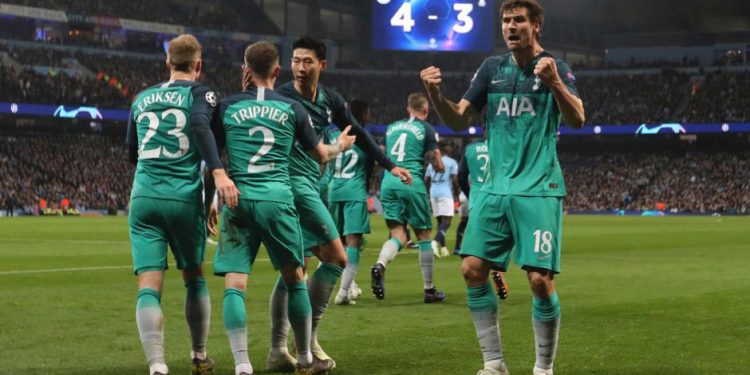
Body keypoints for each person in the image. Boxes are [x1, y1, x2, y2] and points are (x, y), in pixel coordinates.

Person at [420, 0, 585, 373]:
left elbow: (577, 118)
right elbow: (459, 119)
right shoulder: (491, 68)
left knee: (540, 281)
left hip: (539, 187)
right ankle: (494, 363)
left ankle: (543, 368)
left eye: (519, 20)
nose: (511, 27)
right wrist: (435, 94)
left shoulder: (555, 68)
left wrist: (554, 81)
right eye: (506, 21)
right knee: (472, 269)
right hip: (493, 189)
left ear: (536, 25)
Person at [208, 41, 356, 375]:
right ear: (278, 70)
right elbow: (320, 155)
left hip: (237, 199)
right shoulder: (292, 108)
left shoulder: (227, 106)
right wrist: (341, 145)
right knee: (295, 279)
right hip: (278, 198)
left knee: (235, 283)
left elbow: (213, 157)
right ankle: (304, 357)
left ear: (245, 69)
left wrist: (211, 199)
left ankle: (242, 363)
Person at [268, 36, 412, 371]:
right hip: (293, 186)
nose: (301, 68)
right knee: (336, 257)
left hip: (313, 184)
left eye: (308, 62)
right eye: (296, 61)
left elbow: (358, 133)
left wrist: (390, 165)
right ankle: (309, 340)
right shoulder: (282, 96)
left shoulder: (330, 99)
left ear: (322, 64)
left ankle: (278, 349)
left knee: (294, 264)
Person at [125, 33, 239, 375]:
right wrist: (215, 184)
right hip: (182, 197)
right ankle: (199, 354)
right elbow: (205, 136)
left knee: (148, 284)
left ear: (167, 63)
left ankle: (157, 364)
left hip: (143, 197)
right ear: (199, 65)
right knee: (194, 276)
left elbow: (132, 153)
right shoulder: (202, 94)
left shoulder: (141, 98)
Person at [370, 92, 447, 303]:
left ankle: (380, 265)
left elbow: (384, 155)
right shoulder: (427, 129)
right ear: (426, 110)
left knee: (398, 233)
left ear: (408, 108)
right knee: (423, 235)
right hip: (411, 182)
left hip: (389, 182)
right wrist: (438, 166)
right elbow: (437, 163)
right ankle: (429, 289)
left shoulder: (392, 127)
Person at [326, 99, 372, 306]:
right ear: (363, 115)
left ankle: (347, 285)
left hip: (334, 191)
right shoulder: (363, 137)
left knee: (337, 244)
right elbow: (370, 169)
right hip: (354, 192)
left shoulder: (332, 134)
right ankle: (343, 292)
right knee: (354, 242)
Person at [457, 139, 508, 300]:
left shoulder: (470, 149)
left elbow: (461, 176)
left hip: (478, 196)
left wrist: (470, 193)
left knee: (478, 240)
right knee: (499, 237)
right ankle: (497, 271)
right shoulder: (504, 144)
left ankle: (480, 277)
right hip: (500, 194)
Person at [425, 141, 460, 258]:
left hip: (433, 193)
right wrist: (457, 194)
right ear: (446, 149)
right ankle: (434, 243)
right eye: (449, 146)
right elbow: (455, 180)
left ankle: (443, 248)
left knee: (440, 222)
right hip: (445, 193)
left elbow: (426, 180)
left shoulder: (432, 162)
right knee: (447, 222)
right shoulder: (452, 162)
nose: (450, 148)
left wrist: (427, 193)